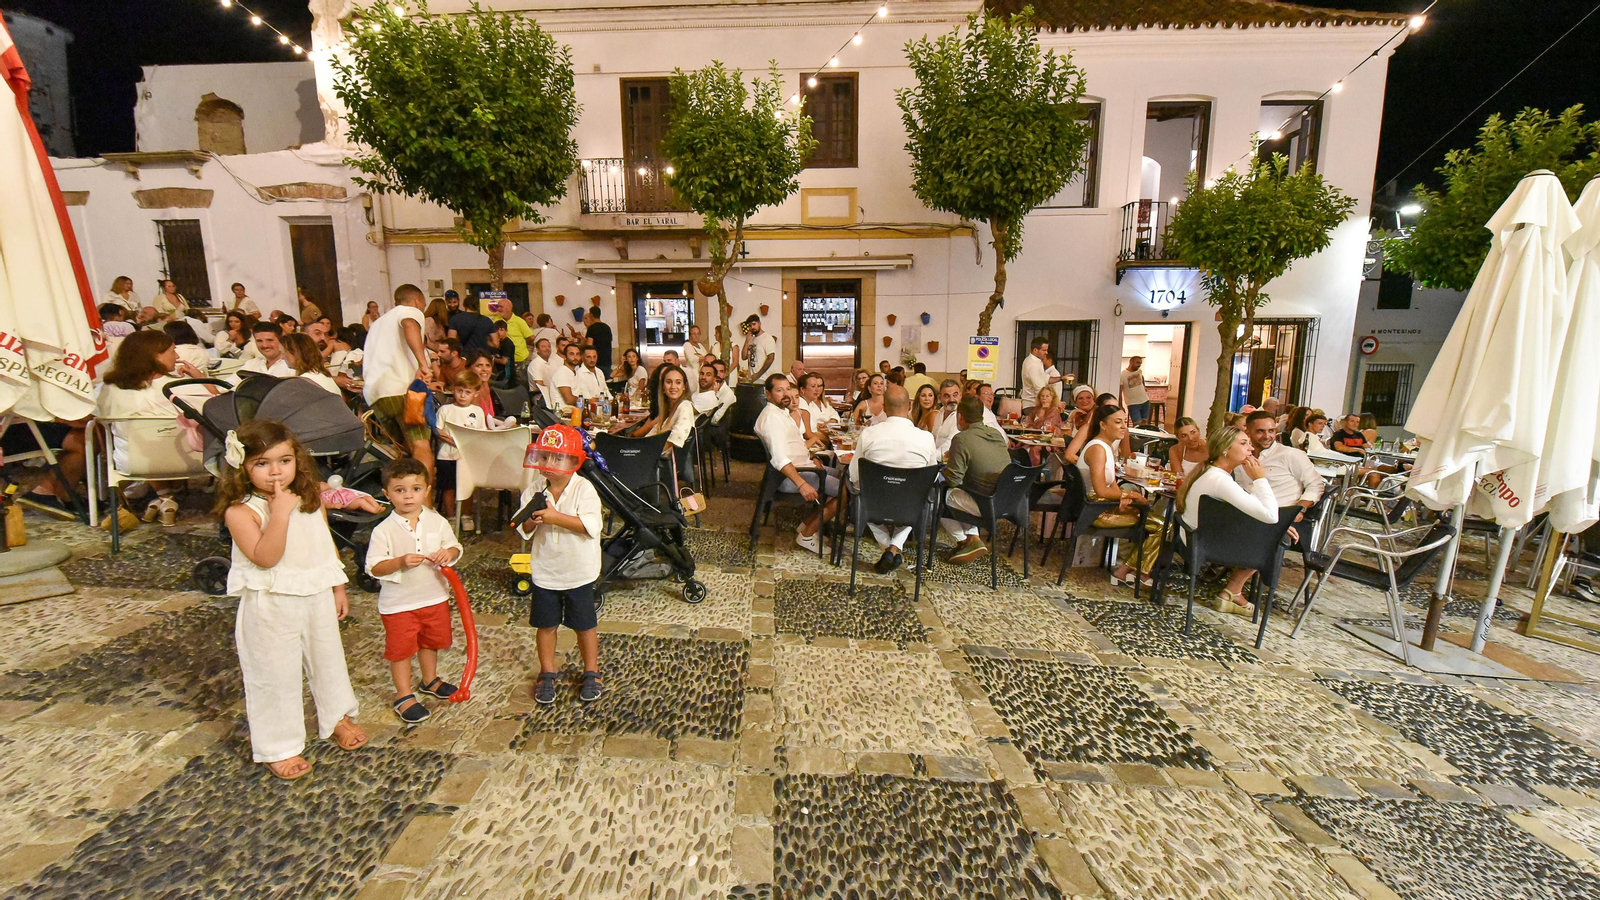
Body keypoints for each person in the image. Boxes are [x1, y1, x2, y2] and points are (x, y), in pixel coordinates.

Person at [217, 418, 366, 780]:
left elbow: (323, 541)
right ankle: (279, 745)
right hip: (271, 602)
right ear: (243, 467)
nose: (275, 472)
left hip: (315, 592)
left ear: (297, 458)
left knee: (328, 659)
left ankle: (337, 716)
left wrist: (337, 586)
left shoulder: (308, 496)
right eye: (261, 464)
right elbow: (266, 556)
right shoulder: (240, 512)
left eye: (284, 460)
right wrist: (278, 514)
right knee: (274, 674)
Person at [365, 457, 463, 724]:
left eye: (416, 489)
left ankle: (429, 679)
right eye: (400, 490)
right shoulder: (383, 531)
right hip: (399, 604)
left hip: (434, 597)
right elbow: (374, 567)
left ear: (427, 490)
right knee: (401, 649)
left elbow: (455, 547)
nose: (409, 496)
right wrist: (398, 562)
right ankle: (404, 694)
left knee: (431, 642)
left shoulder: (437, 521)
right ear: (387, 494)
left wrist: (448, 553)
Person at [517, 425, 606, 705]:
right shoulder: (534, 489)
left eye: (557, 458)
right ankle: (547, 671)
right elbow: (524, 527)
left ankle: (592, 670)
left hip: (578, 571)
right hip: (546, 571)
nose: (548, 464)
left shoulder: (584, 489)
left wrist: (555, 517)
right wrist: (531, 518)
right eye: (544, 457)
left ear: (574, 461)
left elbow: (591, 526)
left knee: (585, 625)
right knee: (545, 625)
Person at [95, 330, 210, 524]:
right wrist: (200, 378)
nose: (178, 356)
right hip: (192, 461)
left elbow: (94, 419)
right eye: (173, 351)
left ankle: (164, 497)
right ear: (156, 355)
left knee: (137, 440)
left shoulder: (107, 390)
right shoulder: (184, 387)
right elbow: (220, 408)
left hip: (133, 463)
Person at [1176, 424, 1277, 613]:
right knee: (1273, 538)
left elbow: (1249, 509)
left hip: (1196, 538)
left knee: (1274, 531)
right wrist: (1260, 478)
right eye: (1244, 443)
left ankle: (1233, 592)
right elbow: (1271, 516)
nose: (1251, 448)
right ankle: (1233, 591)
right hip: (1205, 544)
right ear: (1225, 449)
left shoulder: (1213, 474)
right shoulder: (1220, 480)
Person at [849, 385, 939, 573]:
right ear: (909, 407)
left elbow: (854, 475)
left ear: (884, 408)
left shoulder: (869, 434)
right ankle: (895, 547)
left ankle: (888, 547)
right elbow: (933, 476)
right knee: (920, 501)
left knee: (862, 499)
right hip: (910, 505)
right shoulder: (926, 438)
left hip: (874, 503)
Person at [1078, 404, 1163, 586]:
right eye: (1118, 422)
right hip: (1095, 511)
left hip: (1101, 504)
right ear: (1103, 425)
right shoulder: (1098, 449)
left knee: (1149, 515)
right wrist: (1130, 495)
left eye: (1125, 421)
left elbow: (1112, 485)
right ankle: (1131, 571)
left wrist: (1122, 497)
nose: (1124, 426)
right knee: (1163, 526)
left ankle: (1132, 570)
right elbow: (1101, 490)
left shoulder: (1106, 447)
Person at [754, 374, 838, 553]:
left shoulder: (781, 413)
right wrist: (802, 484)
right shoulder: (772, 418)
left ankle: (807, 525)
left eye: (787, 388)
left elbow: (792, 446)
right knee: (848, 490)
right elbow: (779, 458)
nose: (785, 394)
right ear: (768, 394)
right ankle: (808, 534)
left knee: (844, 475)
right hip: (792, 476)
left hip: (805, 466)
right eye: (779, 390)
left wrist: (810, 457)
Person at [365, 284, 435, 480]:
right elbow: (409, 325)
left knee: (404, 452)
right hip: (401, 390)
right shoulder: (410, 312)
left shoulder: (378, 323)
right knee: (421, 446)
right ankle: (424, 507)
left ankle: (405, 502)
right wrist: (423, 364)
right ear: (417, 301)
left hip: (376, 394)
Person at [939, 395, 1013, 564]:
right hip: (1007, 501)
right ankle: (973, 538)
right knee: (961, 494)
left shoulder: (961, 439)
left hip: (984, 504)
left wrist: (945, 467)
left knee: (939, 496)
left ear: (959, 416)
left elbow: (953, 480)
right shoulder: (996, 434)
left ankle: (963, 540)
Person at [1239, 410, 1322, 545]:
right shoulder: (1241, 456)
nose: (1267, 436)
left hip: (1281, 516)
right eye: (1260, 431)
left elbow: (1316, 485)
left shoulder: (1290, 455)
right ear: (1248, 432)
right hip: (1248, 514)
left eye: (1271, 431)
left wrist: (1299, 509)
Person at [642, 364, 695, 467]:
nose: (673, 387)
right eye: (668, 382)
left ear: (684, 386)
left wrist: (646, 453)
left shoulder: (684, 407)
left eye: (678, 382)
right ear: (662, 387)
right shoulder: (668, 408)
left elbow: (675, 439)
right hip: (655, 458)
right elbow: (652, 434)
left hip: (663, 463)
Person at [486, 295, 533, 386]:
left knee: (520, 385)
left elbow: (530, 337)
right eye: (497, 306)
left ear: (509, 308)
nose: (498, 309)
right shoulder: (496, 321)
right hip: (504, 360)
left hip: (519, 360)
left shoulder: (519, 321)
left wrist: (520, 346)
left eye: (501, 307)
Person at [1020, 337, 1063, 414]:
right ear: (1035, 350)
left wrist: (1062, 378)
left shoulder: (1036, 362)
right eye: (1044, 350)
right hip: (1033, 405)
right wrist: (1054, 403)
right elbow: (1039, 388)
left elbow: (1046, 379)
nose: (1046, 353)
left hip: (1035, 405)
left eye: (1047, 350)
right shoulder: (1032, 364)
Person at [691, 356, 737, 424]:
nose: (718, 374)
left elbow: (715, 420)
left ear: (725, 374)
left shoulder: (728, 394)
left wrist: (713, 395)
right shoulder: (704, 387)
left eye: (721, 372)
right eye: (716, 371)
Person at [741, 314, 778, 382]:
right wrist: (746, 341)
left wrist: (758, 374)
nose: (752, 327)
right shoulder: (751, 339)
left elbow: (770, 358)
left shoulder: (767, 338)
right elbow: (743, 357)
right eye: (750, 325)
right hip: (751, 377)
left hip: (763, 377)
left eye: (754, 324)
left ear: (759, 324)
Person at [550, 340, 583, 412]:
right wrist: (587, 401)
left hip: (576, 410)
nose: (575, 357)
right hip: (563, 412)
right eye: (572, 354)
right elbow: (569, 400)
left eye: (577, 354)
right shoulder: (562, 372)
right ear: (564, 357)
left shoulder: (575, 372)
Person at [1120, 356, 1150, 425]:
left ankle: (1143, 436)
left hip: (1145, 401)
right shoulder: (1123, 374)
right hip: (1133, 403)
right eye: (1138, 363)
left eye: (1140, 363)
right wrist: (1120, 404)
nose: (1139, 365)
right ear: (1131, 362)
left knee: (1145, 423)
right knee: (1137, 424)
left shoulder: (1139, 371)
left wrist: (1144, 386)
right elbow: (1120, 390)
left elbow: (1142, 377)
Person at [583, 305, 614, 372]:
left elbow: (589, 345)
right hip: (607, 361)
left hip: (596, 362)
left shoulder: (592, 328)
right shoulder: (607, 327)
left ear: (591, 315)